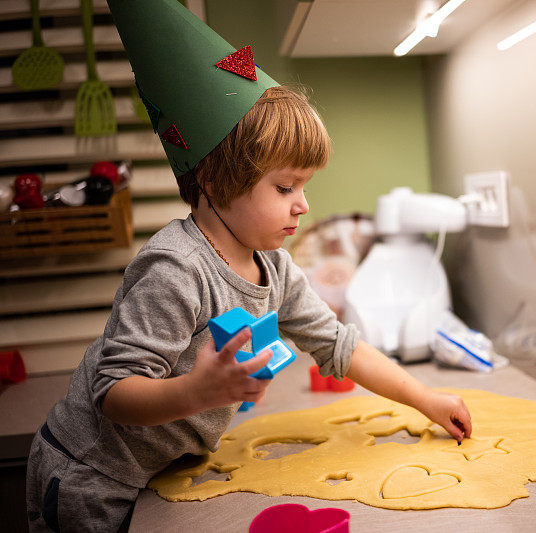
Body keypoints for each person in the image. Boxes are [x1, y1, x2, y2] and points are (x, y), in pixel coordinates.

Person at [26, 2, 472, 532]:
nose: (302, 204)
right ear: (215, 182)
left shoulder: (275, 268)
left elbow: (338, 344)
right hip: (90, 477)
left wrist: (426, 399)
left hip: (157, 471)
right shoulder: (176, 269)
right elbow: (115, 393)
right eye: (285, 187)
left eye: (304, 186)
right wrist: (198, 392)